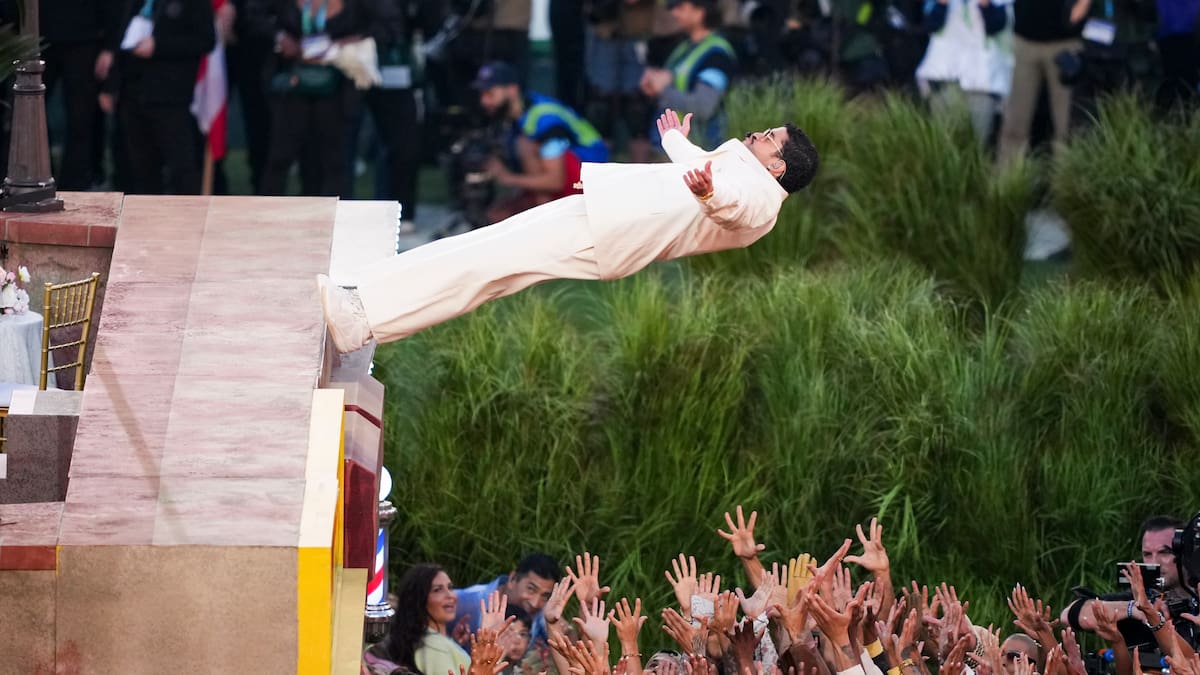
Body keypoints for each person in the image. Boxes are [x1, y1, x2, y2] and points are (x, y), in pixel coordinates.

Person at [316, 108, 819, 353]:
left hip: (610, 231)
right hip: (602, 219)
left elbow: (729, 205)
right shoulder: (742, 172)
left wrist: (705, 187)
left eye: (768, 139)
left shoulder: (758, 201)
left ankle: (364, 316)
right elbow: (707, 175)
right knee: (478, 256)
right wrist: (680, 143)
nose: (757, 134)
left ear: (778, 168)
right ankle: (365, 306)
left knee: (480, 264)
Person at [101, 0, 216, 195]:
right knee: (139, 168)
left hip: (170, 96)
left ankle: (189, 220)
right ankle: (144, 220)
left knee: (181, 168)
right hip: (133, 92)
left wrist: (159, 46)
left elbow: (205, 40)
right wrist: (110, 86)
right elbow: (123, 36)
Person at [474, 61, 610, 224]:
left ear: (512, 90)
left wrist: (508, 178)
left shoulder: (544, 120)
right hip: (572, 179)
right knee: (499, 214)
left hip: (587, 181)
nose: (484, 102)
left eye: (490, 94)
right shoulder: (520, 115)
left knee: (525, 146)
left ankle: (548, 224)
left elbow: (555, 181)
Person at [640, 0, 738, 150]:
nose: (674, 13)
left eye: (681, 7)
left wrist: (663, 89)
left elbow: (703, 106)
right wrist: (653, 84)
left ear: (700, 11)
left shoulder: (716, 54)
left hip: (698, 147)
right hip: (676, 143)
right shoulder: (685, 47)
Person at [915, 0, 1013, 144]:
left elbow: (997, 25)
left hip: (982, 79)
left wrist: (986, 5)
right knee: (944, 141)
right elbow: (930, 24)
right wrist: (942, 4)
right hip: (944, 76)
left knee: (977, 143)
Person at [362, 563, 471, 675]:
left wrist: (451, 643)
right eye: (437, 590)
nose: (451, 596)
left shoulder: (430, 643)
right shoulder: (435, 648)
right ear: (419, 599)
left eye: (450, 588)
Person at [451, 553, 561, 650]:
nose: (535, 603)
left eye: (545, 596)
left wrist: (565, 629)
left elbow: (565, 649)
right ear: (513, 579)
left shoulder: (541, 613)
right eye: (531, 589)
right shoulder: (464, 601)